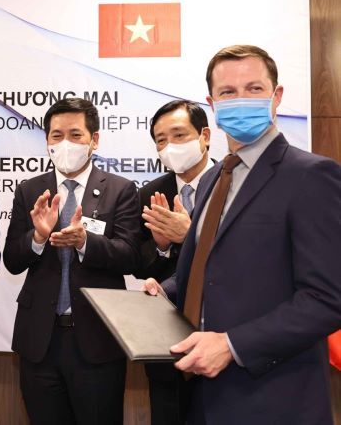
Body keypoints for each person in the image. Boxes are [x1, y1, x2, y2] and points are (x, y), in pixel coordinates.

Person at [144, 45, 341, 424]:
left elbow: (328, 298)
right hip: (201, 394)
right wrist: (165, 292)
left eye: (254, 89)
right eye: (228, 92)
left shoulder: (312, 176)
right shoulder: (214, 179)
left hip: (273, 398)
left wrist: (232, 346)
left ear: (276, 96)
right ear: (212, 104)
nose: (241, 100)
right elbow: (213, 268)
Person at [3, 98, 141, 424]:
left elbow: (130, 256)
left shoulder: (120, 189)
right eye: (57, 135)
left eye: (75, 135)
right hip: (40, 340)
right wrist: (37, 238)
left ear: (95, 140)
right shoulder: (29, 190)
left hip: (96, 341)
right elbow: (11, 260)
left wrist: (85, 242)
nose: (66, 143)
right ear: (47, 141)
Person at [134, 99, 213, 425]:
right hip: (167, 340)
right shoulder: (151, 193)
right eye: (161, 140)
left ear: (204, 136)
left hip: (222, 335)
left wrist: (189, 235)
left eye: (179, 135)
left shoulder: (232, 184)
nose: (170, 147)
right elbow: (139, 266)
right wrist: (162, 246)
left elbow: (245, 258)